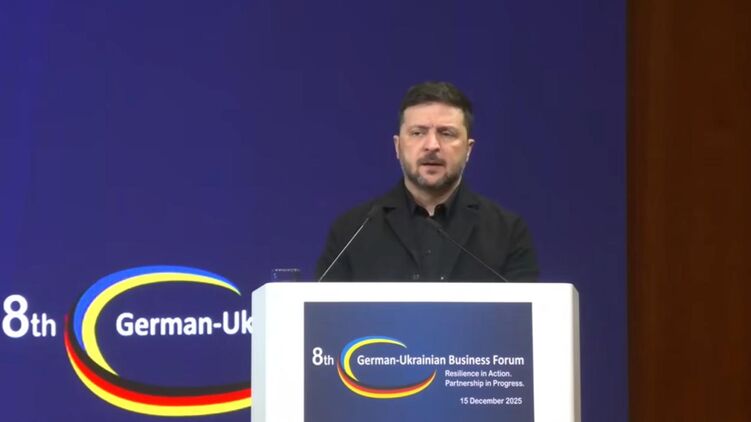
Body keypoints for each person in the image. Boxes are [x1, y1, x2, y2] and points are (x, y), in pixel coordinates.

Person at [316, 81, 538, 282]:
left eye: (446, 133)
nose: (432, 145)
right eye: (418, 133)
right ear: (397, 147)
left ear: (468, 150)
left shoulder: (507, 233)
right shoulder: (351, 231)